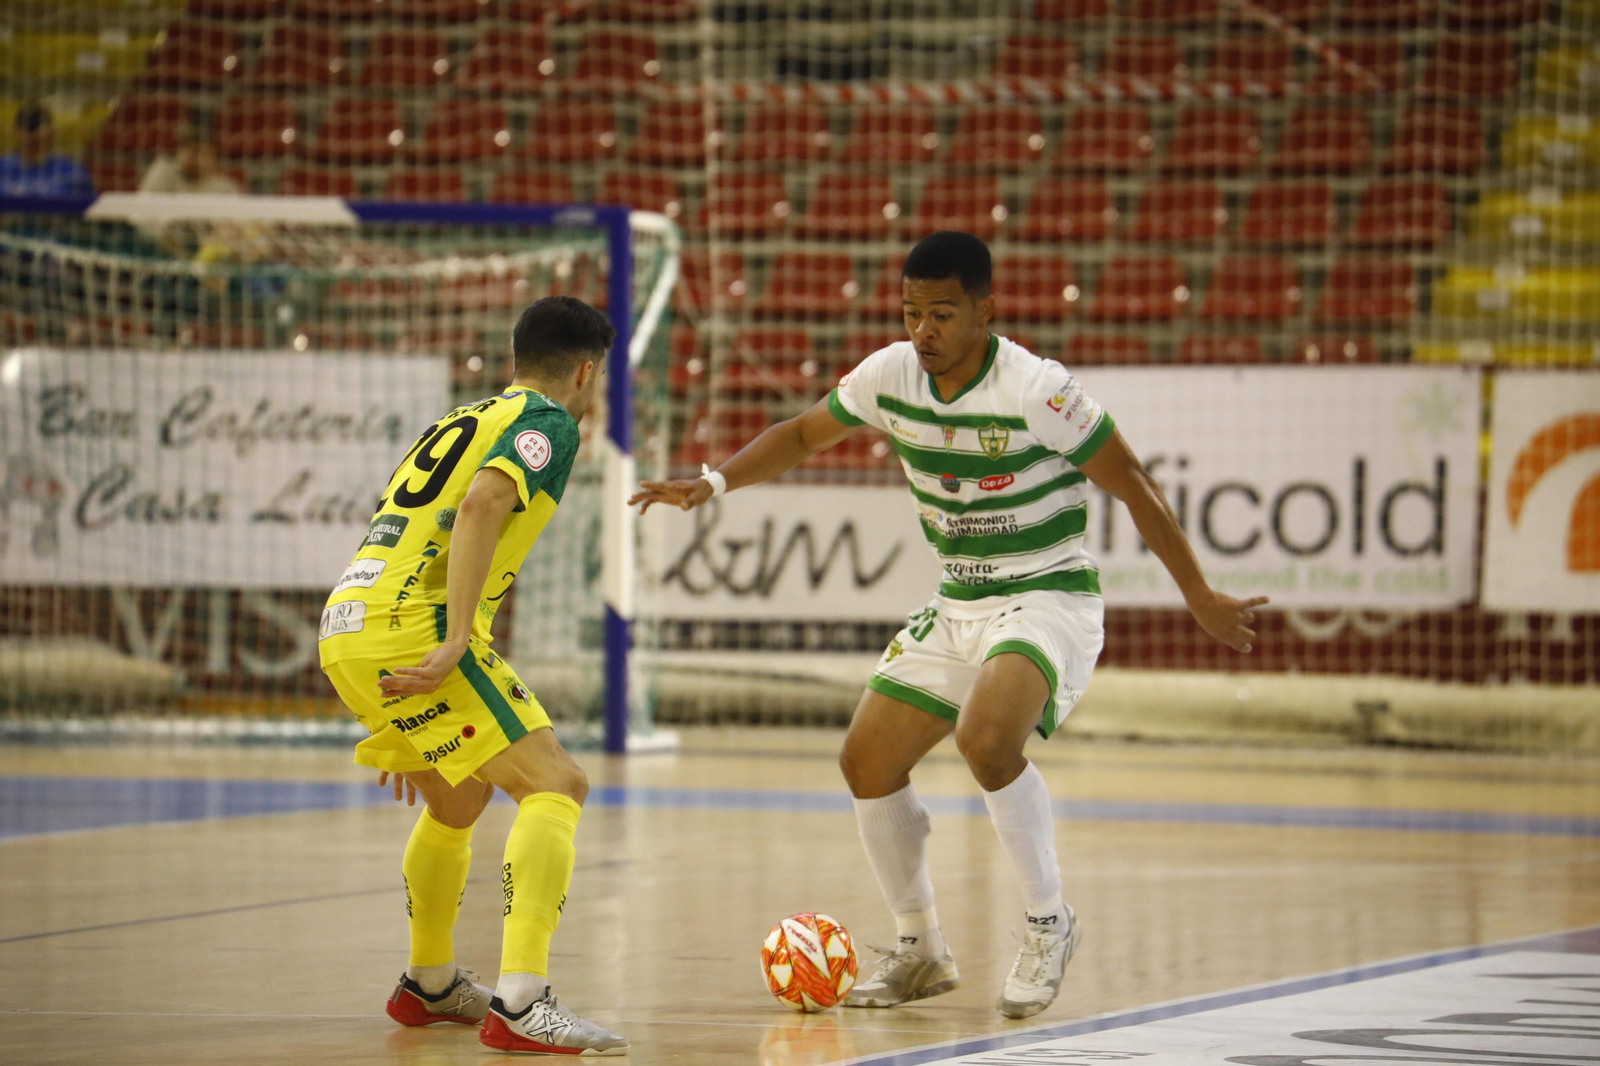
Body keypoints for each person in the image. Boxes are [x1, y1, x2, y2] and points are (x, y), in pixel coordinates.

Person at [629, 231, 1268, 1021]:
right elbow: (800, 434)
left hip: (1047, 592)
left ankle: (1049, 923)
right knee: (866, 760)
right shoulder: (888, 374)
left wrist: (1198, 593)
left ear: (983, 309)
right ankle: (921, 948)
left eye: (941, 314)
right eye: (910, 313)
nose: (922, 331)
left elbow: (1133, 482)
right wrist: (714, 483)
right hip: (960, 596)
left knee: (987, 741)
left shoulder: (1037, 389)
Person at [320, 295, 629, 1056]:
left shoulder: (461, 418)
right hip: (413, 624)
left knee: (457, 797)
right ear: (585, 371)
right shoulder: (550, 420)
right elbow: (485, 502)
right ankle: (523, 1003)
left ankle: (429, 984)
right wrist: (456, 638)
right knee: (557, 784)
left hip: (348, 623)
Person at [0, 103, 93, 198]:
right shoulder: (3, 168)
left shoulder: (72, 174)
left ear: (52, 133)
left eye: (36, 140)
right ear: (15, 133)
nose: (32, 136)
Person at [137, 125, 241, 195]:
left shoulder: (225, 188)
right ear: (179, 151)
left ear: (213, 156)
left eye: (202, 152)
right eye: (192, 151)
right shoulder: (163, 173)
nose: (196, 159)